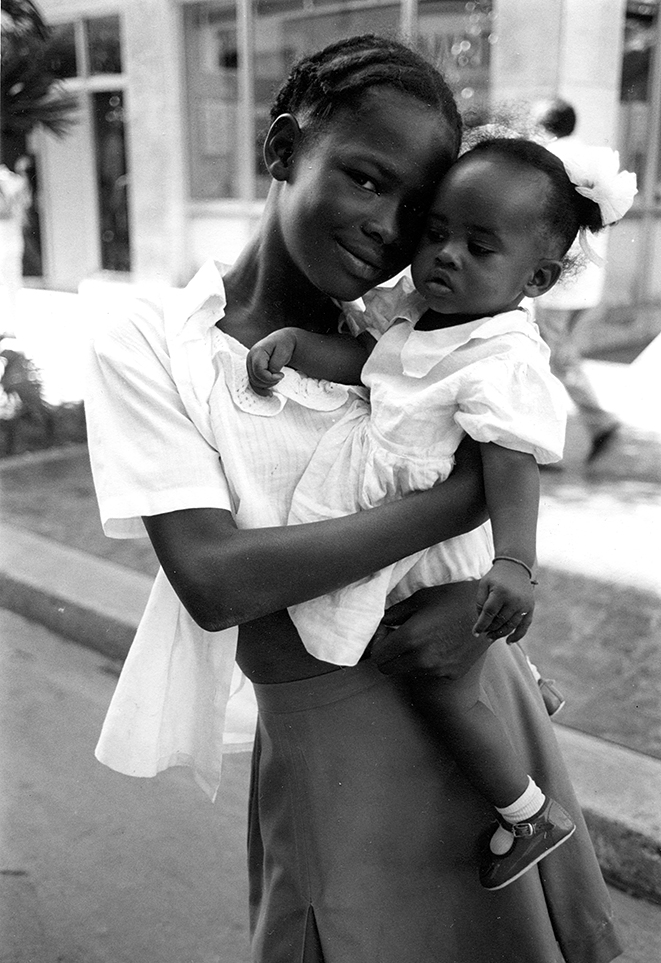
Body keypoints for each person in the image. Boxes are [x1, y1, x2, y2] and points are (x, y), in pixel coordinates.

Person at [85, 36, 622, 963]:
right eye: (365, 178)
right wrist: (458, 501)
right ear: (286, 146)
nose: (390, 230)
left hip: (462, 698)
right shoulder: (151, 342)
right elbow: (217, 579)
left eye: (413, 211)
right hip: (327, 741)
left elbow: (505, 457)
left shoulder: (418, 326)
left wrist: (485, 589)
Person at [246, 135, 637, 892]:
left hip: (434, 546)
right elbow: (368, 371)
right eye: (437, 233)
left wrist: (515, 563)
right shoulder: (421, 317)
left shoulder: (503, 355)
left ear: (538, 276)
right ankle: (520, 679)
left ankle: (527, 812)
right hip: (396, 526)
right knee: (418, 649)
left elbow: (511, 468)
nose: (446, 255)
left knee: (438, 686)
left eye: (478, 246)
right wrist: (295, 346)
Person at [534, 98, 637, 466]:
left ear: (544, 125)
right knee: (553, 359)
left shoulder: (547, 160)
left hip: (555, 285)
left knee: (553, 361)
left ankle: (597, 423)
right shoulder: (594, 160)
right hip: (585, 283)